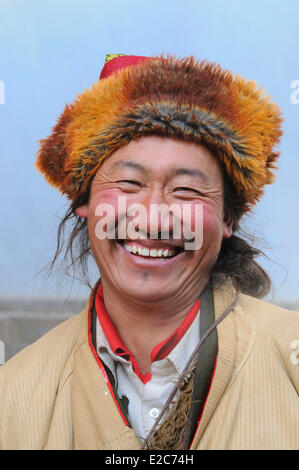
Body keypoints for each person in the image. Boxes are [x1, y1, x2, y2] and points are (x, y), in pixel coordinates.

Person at [0, 54, 298, 450]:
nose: (154, 217)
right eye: (128, 183)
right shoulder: (14, 394)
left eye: (187, 190)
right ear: (83, 202)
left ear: (228, 218)